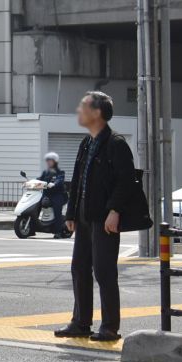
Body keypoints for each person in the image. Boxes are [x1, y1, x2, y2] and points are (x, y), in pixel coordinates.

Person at [55, 90, 137, 343]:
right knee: (79, 268)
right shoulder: (86, 143)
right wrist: (71, 213)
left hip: (104, 218)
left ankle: (110, 326)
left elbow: (126, 182)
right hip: (84, 217)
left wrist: (115, 211)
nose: (79, 111)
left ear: (97, 113)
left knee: (104, 272)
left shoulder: (116, 144)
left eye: (83, 106)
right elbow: (78, 180)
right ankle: (80, 322)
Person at [41, 151, 68, 238]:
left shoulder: (60, 172)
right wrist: (30, 182)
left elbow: (60, 180)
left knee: (57, 211)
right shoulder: (46, 172)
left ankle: (58, 232)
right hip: (47, 195)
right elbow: (39, 179)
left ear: (55, 161)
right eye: (47, 161)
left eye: (50, 160)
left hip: (57, 195)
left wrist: (54, 183)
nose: (48, 162)